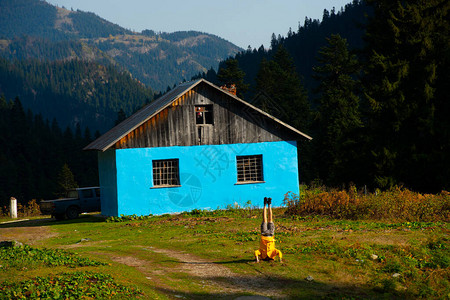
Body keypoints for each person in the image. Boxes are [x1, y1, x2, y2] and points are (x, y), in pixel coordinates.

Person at [255, 197, 282, 262]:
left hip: (266, 235)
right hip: (268, 234)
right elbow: (279, 252)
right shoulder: (272, 253)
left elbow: (279, 252)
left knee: (267, 219)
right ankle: (268, 204)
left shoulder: (265, 253)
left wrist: (257, 260)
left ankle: (267, 204)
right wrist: (280, 260)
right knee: (267, 219)